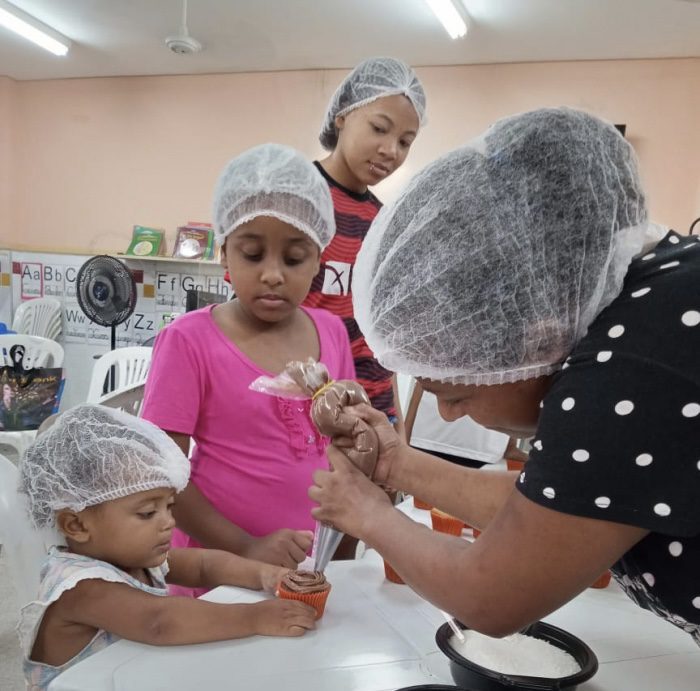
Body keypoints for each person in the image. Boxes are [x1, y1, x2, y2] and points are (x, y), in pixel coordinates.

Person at [310, 107, 700, 645]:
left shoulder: (630, 365)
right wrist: (394, 462)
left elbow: (492, 597)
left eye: (455, 391)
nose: (446, 412)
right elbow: (551, 512)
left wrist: (368, 515)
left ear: (530, 337)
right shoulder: (657, 296)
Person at [141, 144, 355, 590]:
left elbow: (346, 446)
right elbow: (161, 473)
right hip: (216, 569)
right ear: (224, 255)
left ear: (318, 259)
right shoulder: (189, 340)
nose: (274, 274)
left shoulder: (331, 331)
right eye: (253, 255)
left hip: (310, 565)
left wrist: (348, 537)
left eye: (294, 258)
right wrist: (246, 547)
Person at [17, 404, 316, 690]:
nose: (168, 523)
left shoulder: (134, 557)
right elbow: (158, 621)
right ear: (77, 525)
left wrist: (264, 575)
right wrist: (255, 617)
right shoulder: (79, 586)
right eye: (147, 513)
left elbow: (203, 566)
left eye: (169, 507)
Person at [303, 56, 427, 435]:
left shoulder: (383, 223)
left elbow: (379, 333)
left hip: (374, 410)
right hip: (306, 409)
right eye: (379, 128)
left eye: (405, 141)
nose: (391, 150)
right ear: (342, 115)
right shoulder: (298, 198)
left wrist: (397, 423)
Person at [404, 379, 527, 469]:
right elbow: (421, 380)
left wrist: (510, 444)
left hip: (485, 450)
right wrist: (404, 441)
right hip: (429, 441)